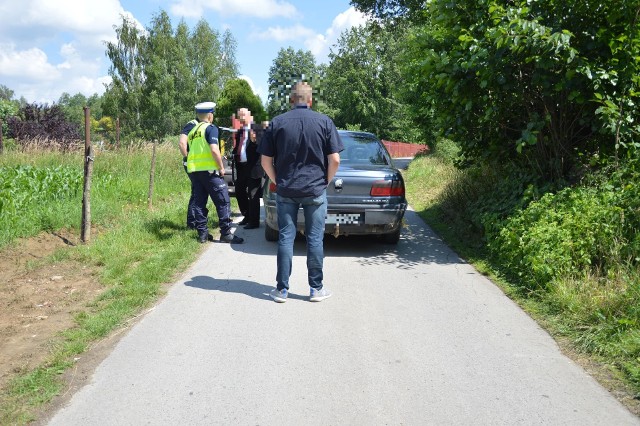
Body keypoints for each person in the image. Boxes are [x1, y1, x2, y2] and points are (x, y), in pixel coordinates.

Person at [258, 82, 343, 303]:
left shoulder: (277, 123)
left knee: (286, 237)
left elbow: (265, 161)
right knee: (315, 238)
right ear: (310, 100)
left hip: (286, 189)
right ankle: (316, 289)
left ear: (291, 100)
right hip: (315, 189)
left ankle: (281, 290)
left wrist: (278, 180)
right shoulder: (324, 122)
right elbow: (335, 159)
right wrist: (325, 181)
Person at [179, 102, 244, 244]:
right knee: (223, 200)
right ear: (210, 115)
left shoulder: (193, 131)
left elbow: (188, 149)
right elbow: (214, 150)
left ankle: (202, 234)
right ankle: (226, 233)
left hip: (195, 172)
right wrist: (221, 167)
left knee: (199, 202)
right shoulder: (210, 128)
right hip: (209, 172)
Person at [232, 108, 262, 229]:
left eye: (244, 115)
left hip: (254, 166)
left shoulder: (258, 127)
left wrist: (255, 141)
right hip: (241, 166)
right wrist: (233, 154)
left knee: (253, 194)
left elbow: (264, 144)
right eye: (240, 116)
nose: (242, 118)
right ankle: (247, 215)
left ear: (250, 115)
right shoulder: (240, 131)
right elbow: (240, 146)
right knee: (239, 191)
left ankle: (254, 222)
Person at [179, 118, 205, 230]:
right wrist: (188, 158)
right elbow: (182, 143)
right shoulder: (192, 124)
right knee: (196, 192)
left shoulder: (201, 125)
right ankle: (192, 222)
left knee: (196, 191)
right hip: (192, 164)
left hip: (198, 164)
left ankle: (194, 221)